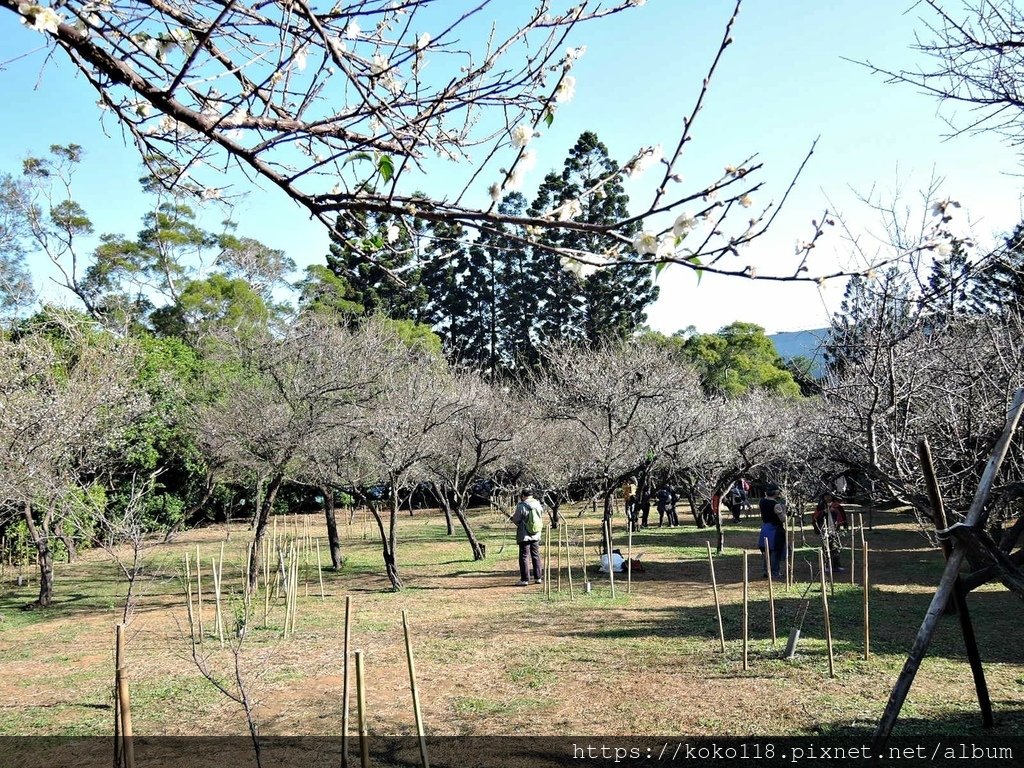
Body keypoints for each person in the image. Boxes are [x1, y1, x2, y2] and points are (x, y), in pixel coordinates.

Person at [511, 489, 544, 586]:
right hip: (536, 534)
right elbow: (540, 515)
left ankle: (525, 579)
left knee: (524, 556)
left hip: (524, 535)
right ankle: (538, 578)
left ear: (523, 495)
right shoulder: (538, 504)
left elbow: (516, 519)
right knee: (536, 555)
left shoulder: (521, 506)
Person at [758, 483, 787, 579]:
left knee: (767, 551)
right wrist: (784, 510)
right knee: (775, 551)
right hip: (775, 530)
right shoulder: (776, 505)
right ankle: (775, 572)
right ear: (776, 493)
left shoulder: (762, 501)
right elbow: (783, 519)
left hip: (765, 528)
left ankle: (766, 571)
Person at [813, 492, 847, 572]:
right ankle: (826, 565)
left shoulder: (836, 506)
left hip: (834, 529)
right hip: (824, 529)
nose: (827, 498)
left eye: (829, 496)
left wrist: (834, 511)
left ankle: (836, 565)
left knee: (835, 547)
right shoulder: (820, 507)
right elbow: (815, 517)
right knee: (825, 547)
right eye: (825, 497)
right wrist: (823, 512)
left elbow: (841, 516)